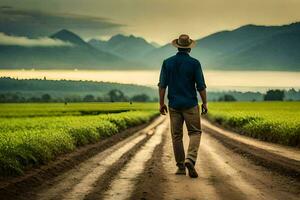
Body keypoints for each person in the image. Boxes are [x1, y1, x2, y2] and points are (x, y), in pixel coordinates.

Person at [158, 34, 207, 178]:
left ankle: (180, 167)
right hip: (190, 104)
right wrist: (204, 102)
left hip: (173, 105)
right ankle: (190, 159)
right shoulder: (195, 63)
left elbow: (162, 85)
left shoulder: (167, 63)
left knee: (176, 136)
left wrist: (161, 103)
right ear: (189, 49)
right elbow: (201, 86)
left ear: (178, 46)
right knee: (195, 133)